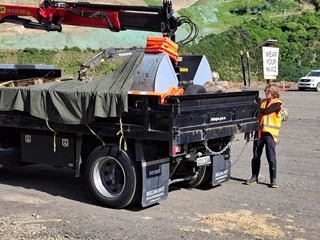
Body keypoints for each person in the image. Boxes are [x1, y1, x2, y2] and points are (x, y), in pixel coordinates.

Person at [245, 84, 282, 188]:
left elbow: (266, 111)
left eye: (268, 92)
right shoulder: (263, 102)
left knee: (271, 157)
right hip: (259, 132)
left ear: (273, 93)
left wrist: (256, 104)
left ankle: (273, 180)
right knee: (256, 155)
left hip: (270, 134)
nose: (266, 93)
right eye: (265, 91)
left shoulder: (277, 104)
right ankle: (254, 177)